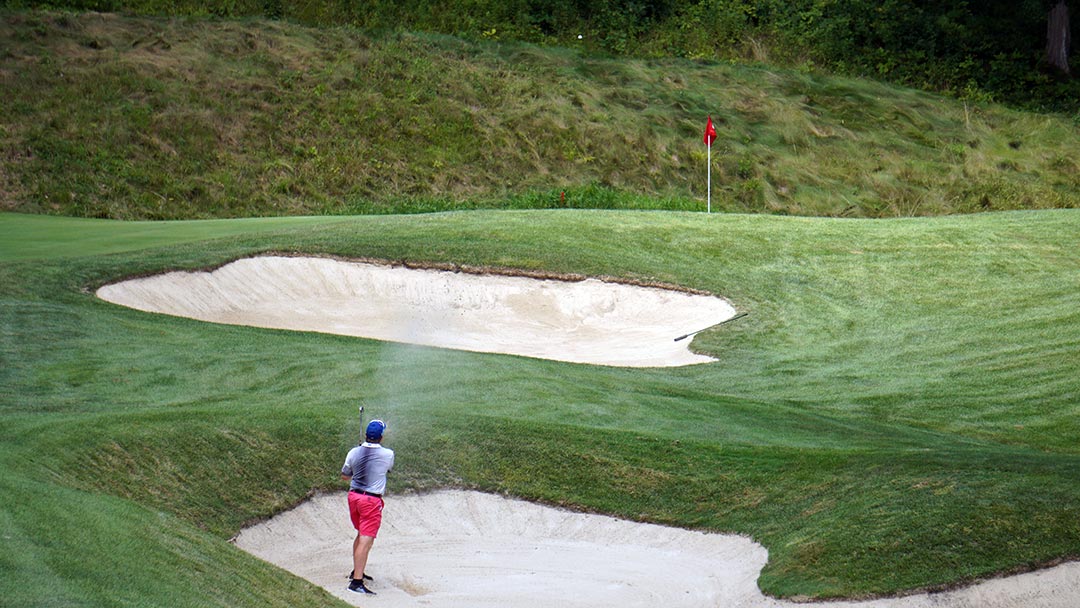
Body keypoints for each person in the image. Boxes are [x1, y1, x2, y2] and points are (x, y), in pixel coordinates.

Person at [340, 419, 395, 595]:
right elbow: (388, 469)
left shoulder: (354, 452)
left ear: (366, 435)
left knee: (360, 535)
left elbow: (345, 477)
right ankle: (356, 583)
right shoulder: (388, 454)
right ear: (381, 437)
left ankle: (357, 571)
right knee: (366, 539)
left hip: (354, 497)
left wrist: (358, 456)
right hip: (371, 501)